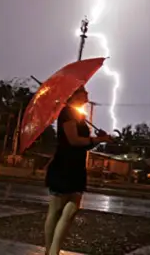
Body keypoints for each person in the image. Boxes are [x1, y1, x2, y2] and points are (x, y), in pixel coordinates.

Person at [44, 86, 112, 255]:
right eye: (84, 91)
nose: (88, 93)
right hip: (64, 166)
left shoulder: (78, 115)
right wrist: (97, 139)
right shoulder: (66, 113)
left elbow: (85, 142)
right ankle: (51, 251)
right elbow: (74, 141)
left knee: (70, 210)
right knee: (56, 210)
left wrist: (99, 139)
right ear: (74, 94)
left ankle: (52, 251)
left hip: (76, 167)